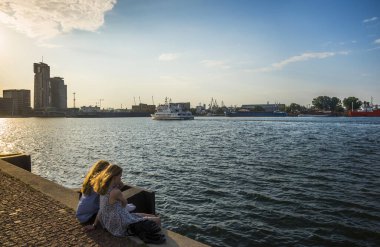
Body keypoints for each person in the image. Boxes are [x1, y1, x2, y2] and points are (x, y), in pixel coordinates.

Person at [85, 164, 161, 237]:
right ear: (114, 177)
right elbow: (125, 203)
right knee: (157, 220)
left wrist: (94, 225)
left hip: (110, 224)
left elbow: (101, 209)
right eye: (120, 176)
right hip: (122, 224)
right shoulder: (116, 192)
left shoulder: (103, 189)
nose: (121, 179)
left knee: (147, 215)